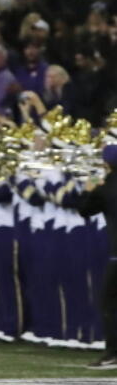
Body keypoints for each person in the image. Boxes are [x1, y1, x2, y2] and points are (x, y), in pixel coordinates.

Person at [75, 147, 117, 368]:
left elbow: (84, 210)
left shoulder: (106, 187)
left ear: (106, 165)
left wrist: (88, 188)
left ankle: (113, 352)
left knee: (109, 304)